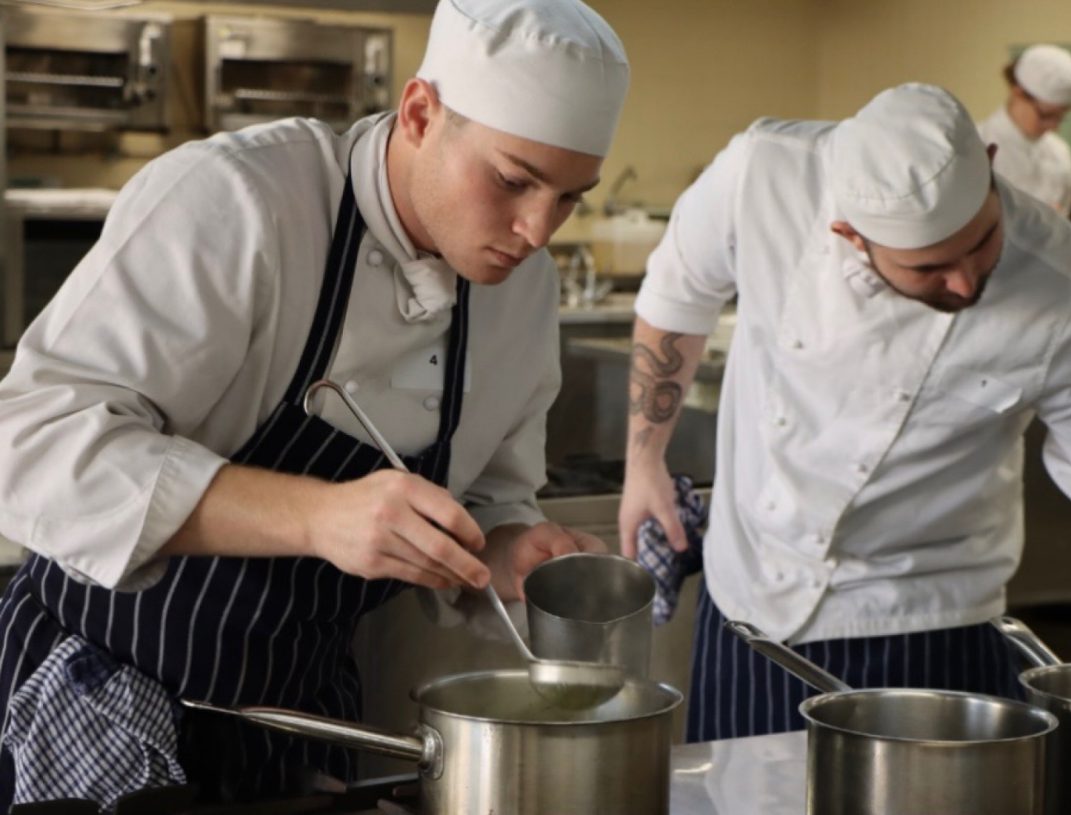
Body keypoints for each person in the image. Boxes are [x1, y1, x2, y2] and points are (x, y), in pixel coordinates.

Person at [0, 0, 628, 806]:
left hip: (300, 726)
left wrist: (505, 553)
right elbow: (29, 442)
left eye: (571, 197)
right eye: (514, 179)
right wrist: (317, 515)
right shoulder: (240, 202)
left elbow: (490, 492)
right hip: (101, 699)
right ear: (420, 112)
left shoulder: (521, 289)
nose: (538, 229)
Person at [618, 83, 1071, 743]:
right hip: (750, 610)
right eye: (929, 267)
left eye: (980, 243)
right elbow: (678, 292)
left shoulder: (1065, 286)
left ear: (988, 161)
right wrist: (644, 463)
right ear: (849, 235)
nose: (963, 281)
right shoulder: (763, 174)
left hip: (932, 622)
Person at [978, 43, 1071, 214]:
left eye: (1062, 116)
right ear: (1018, 93)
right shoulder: (977, 146)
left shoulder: (1060, 154)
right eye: (1046, 115)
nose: (1055, 126)